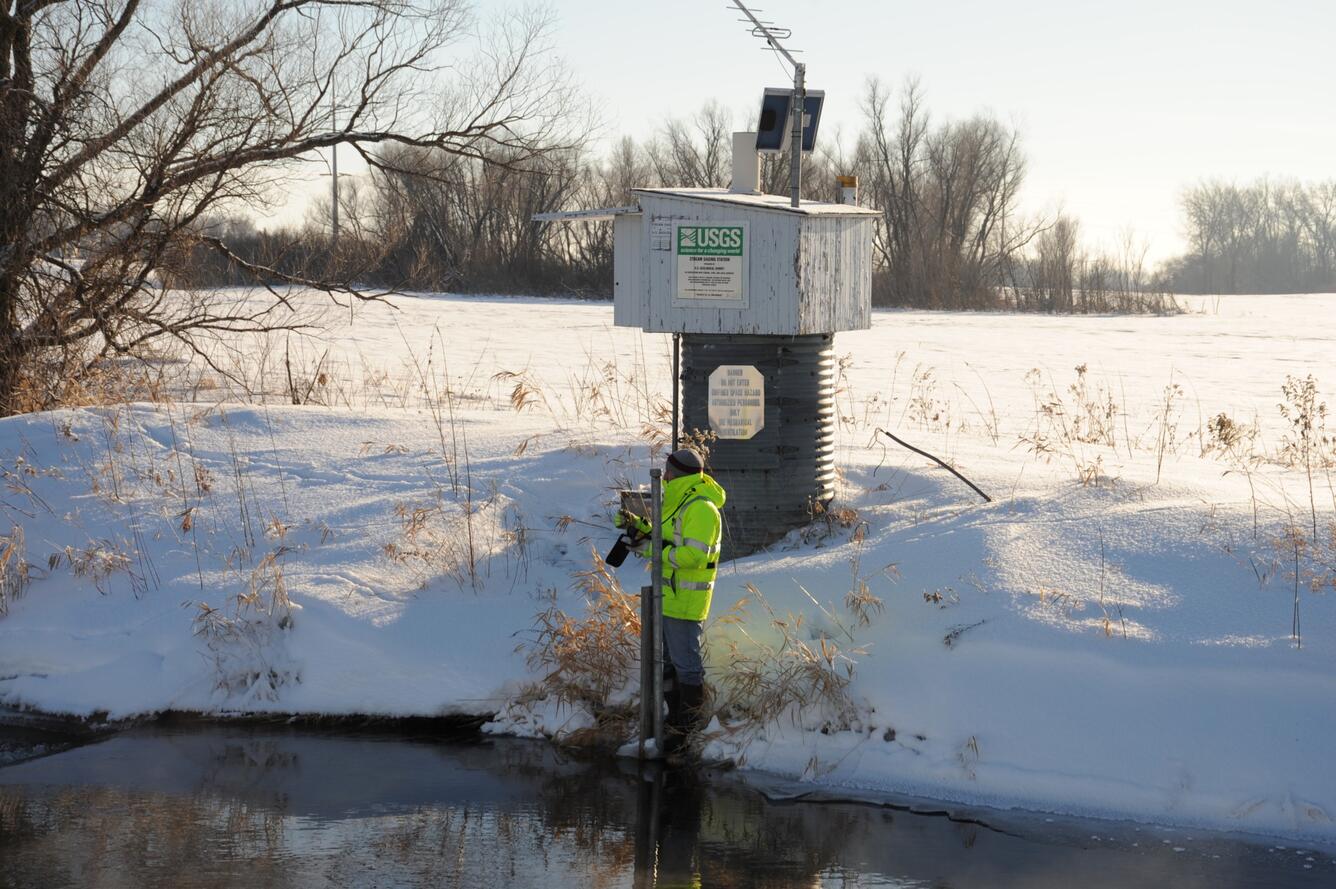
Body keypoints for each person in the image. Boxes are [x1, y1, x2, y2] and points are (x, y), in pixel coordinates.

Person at [615, 448, 725, 755]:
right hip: (668, 597)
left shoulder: (702, 509)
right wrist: (639, 526)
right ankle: (672, 724)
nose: (663, 475)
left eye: (666, 470)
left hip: (686, 600)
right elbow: (668, 538)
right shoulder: (681, 501)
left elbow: (692, 555)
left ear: (675, 473)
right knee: (668, 665)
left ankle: (685, 731)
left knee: (687, 667)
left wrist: (654, 553)